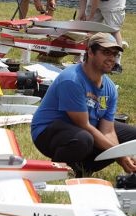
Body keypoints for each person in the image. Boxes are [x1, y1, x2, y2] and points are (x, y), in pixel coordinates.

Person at [31, 32, 136, 177]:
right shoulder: (72, 79)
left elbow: (108, 130)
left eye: (114, 54)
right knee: (84, 139)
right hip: (48, 131)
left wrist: (120, 153)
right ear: (90, 52)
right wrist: (120, 156)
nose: (111, 58)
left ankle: (82, 168)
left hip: (84, 131)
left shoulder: (110, 88)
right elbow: (83, 125)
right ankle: (59, 171)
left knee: (132, 138)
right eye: (106, 52)